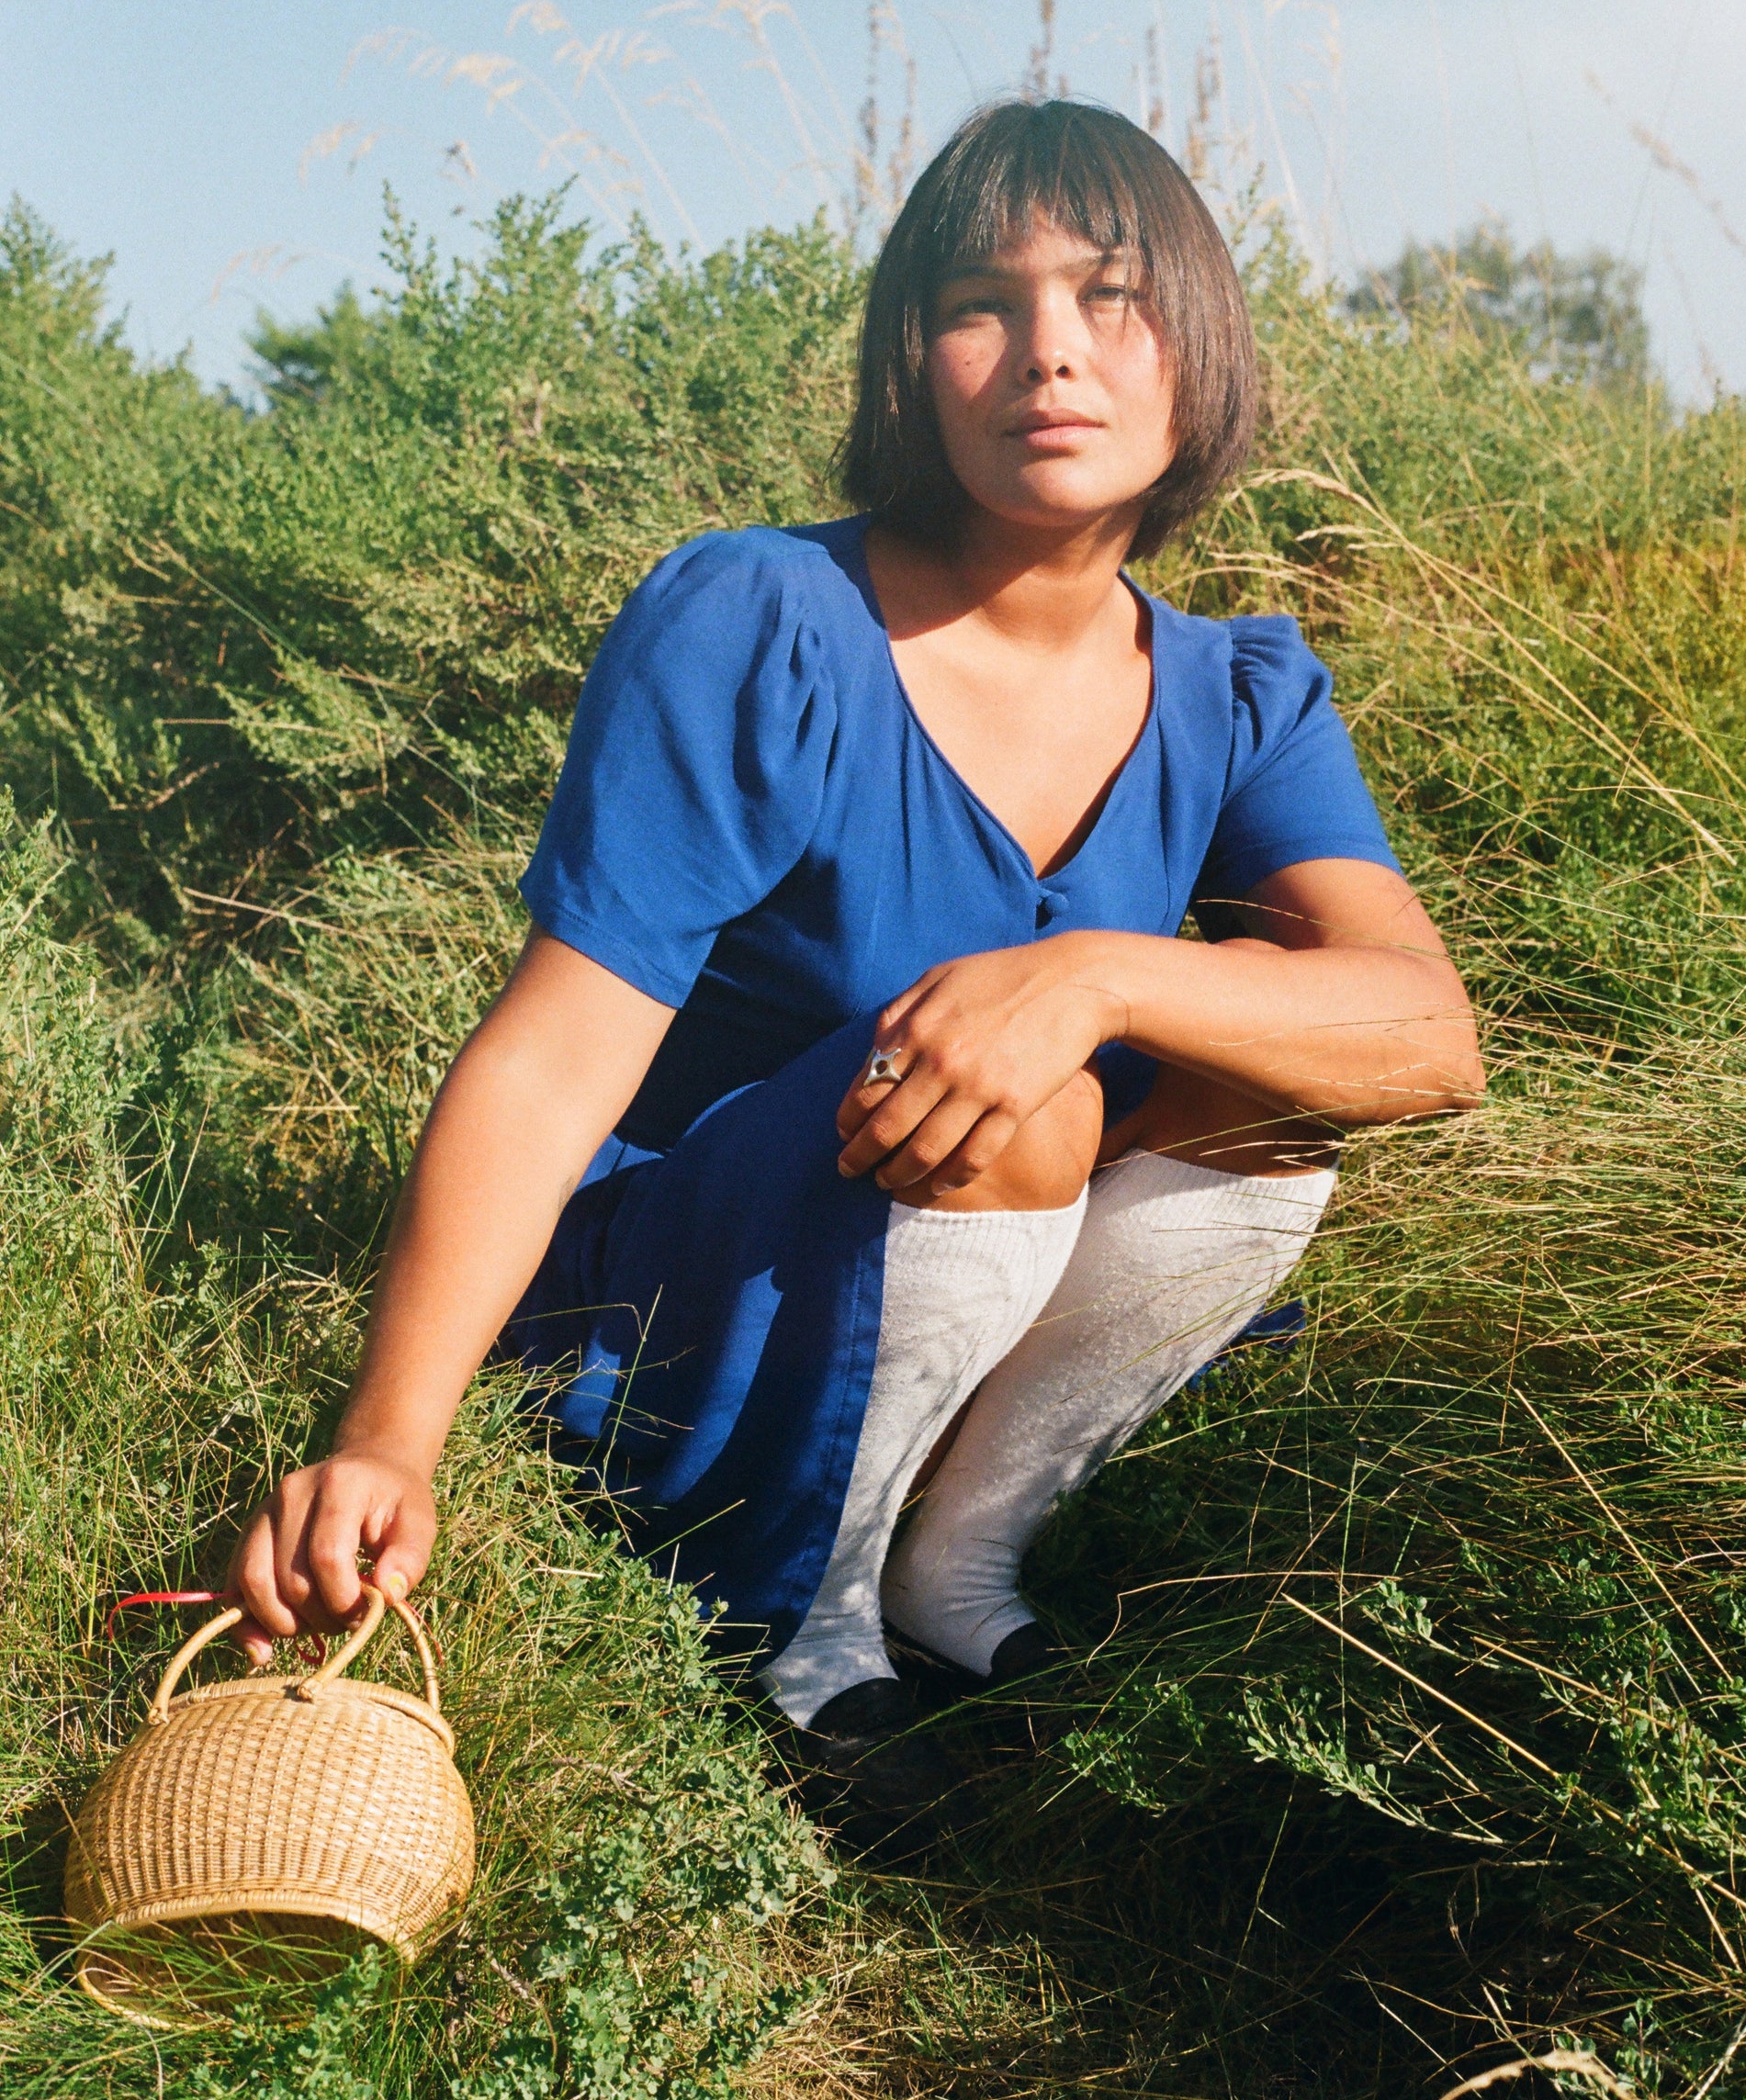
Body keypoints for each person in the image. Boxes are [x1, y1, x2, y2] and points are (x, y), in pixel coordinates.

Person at [226, 100, 1482, 1827]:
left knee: (1265, 1092)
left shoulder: (1240, 689)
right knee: (1004, 1106)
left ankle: (956, 1566)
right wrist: (385, 1432)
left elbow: (1424, 1035)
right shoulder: (758, 621)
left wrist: (1099, 976)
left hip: (948, 1258)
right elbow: (553, 1051)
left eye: (1111, 293)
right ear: (914, 361)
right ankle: (797, 1622)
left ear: (1198, 342)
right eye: (982, 301)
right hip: (684, 1296)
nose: (1049, 350)